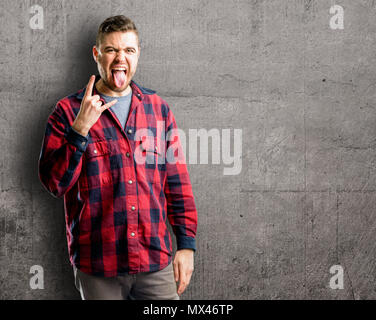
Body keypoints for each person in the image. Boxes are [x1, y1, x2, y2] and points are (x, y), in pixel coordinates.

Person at [38, 15, 198, 300]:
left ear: (138, 55)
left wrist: (186, 245)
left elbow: (177, 183)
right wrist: (80, 130)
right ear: (97, 54)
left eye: (128, 50)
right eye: (111, 50)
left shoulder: (158, 109)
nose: (119, 58)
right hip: (99, 265)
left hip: (154, 261)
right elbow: (55, 184)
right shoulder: (66, 112)